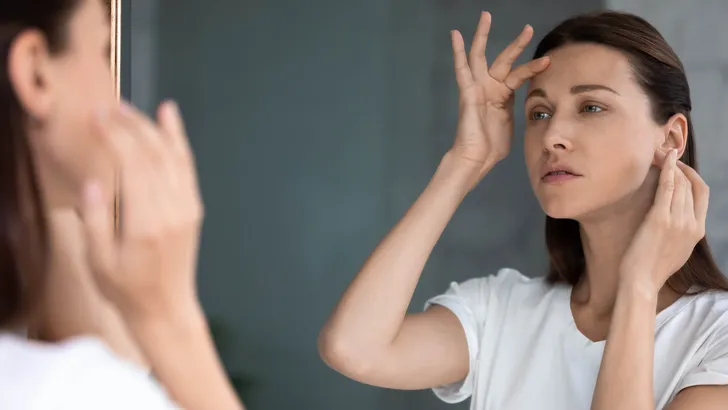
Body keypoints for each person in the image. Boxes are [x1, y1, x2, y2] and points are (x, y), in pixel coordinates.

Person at [319, 10, 728, 410]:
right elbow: (354, 348)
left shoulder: (717, 334)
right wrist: (464, 163)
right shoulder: (499, 310)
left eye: (591, 107)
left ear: (670, 137)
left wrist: (638, 286)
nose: (552, 136)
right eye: (539, 113)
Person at [0, 1, 244, 409]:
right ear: (35, 72)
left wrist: (35, 182)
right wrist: (170, 318)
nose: (115, 91)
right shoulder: (72, 390)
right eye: (103, 49)